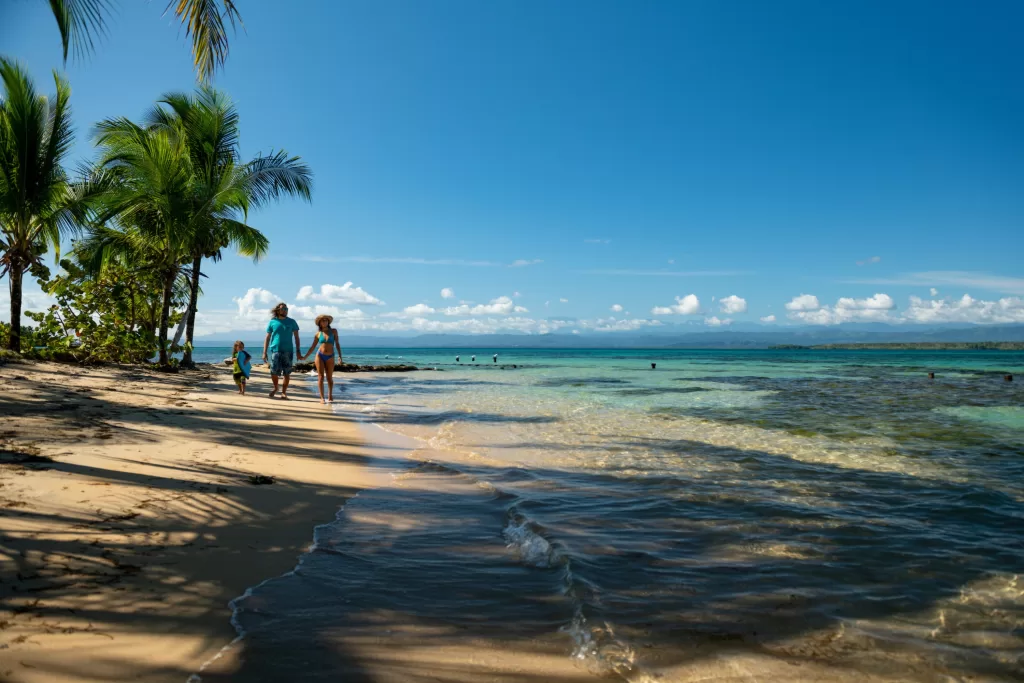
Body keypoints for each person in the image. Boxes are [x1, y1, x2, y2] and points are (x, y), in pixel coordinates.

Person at [262, 303, 300, 400]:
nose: (285, 310)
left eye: (286, 309)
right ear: (278, 310)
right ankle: (276, 387)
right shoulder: (273, 322)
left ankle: (284, 392)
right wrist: (264, 352)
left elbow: (296, 337)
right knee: (273, 372)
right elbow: (267, 337)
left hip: (288, 350)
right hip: (275, 350)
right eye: (283, 309)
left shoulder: (292, 322)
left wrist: (298, 350)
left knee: (287, 372)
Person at [301, 315, 342, 404]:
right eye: (322, 320)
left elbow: (337, 343)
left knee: (329, 378)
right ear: (319, 323)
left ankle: (330, 395)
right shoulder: (318, 334)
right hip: (320, 355)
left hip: (330, 356)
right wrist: (305, 356)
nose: (324, 322)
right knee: (320, 377)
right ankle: (322, 398)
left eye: (326, 320)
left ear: (328, 322)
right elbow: (313, 347)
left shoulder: (334, 331)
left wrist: (340, 356)